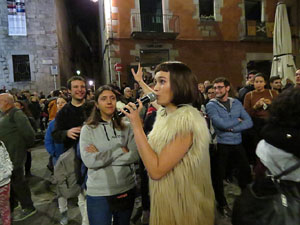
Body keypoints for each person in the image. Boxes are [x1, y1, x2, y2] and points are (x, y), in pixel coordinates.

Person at [123, 62, 215, 225]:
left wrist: (136, 126)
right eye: (155, 82)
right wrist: (141, 82)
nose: (155, 88)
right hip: (168, 198)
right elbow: (155, 101)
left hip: (183, 207)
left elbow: (156, 171)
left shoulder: (185, 121)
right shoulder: (167, 113)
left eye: (162, 81)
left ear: (179, 85)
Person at [80, 85, 139, 225]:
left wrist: (101, 157)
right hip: (99, 192)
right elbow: (90, 161)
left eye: (112, 98)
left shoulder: (127, 126)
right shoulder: (88, 130)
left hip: (125, 187)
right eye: (104, 99)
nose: (109, 102)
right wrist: (120, 150)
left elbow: (135, 155)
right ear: (96, 104)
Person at [206, 77, 253, 217]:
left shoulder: (236, 102)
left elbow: (249, 122)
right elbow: (220, 124)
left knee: (245, 173)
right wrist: (237, 121)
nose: (217, 90)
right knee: (218, 176)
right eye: (215, 88)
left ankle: (248, 202)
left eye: (220, 87)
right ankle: (222, 204)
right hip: (221, 145)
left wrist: (233, 128)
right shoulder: (211, 104)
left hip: (237, 143)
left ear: (227, 88)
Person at [52, 76, 93, 225]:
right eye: (76, 87)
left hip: (96, 155)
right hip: (75, 160)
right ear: (69, 91)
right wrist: (67, 133)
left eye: (82, 87)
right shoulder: (64, 112)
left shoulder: (93, 107)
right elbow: (55, 135)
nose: (80, 90)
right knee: (82, 194)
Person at [0, 93, 36, 222]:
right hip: (7, 154)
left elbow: (29, 133)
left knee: (18, 180)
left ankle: (28, 206)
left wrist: (27, 146)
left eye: (0, 102)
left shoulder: (16, 114)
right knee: (11, 180)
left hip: (15, 153)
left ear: (7, 102)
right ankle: (12, 203)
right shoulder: (5, 114)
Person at [0, 141, 13, 225]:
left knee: (5, 209)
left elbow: (6, 156)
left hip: (4, 183)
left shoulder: (0, 143)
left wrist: (8, 169)